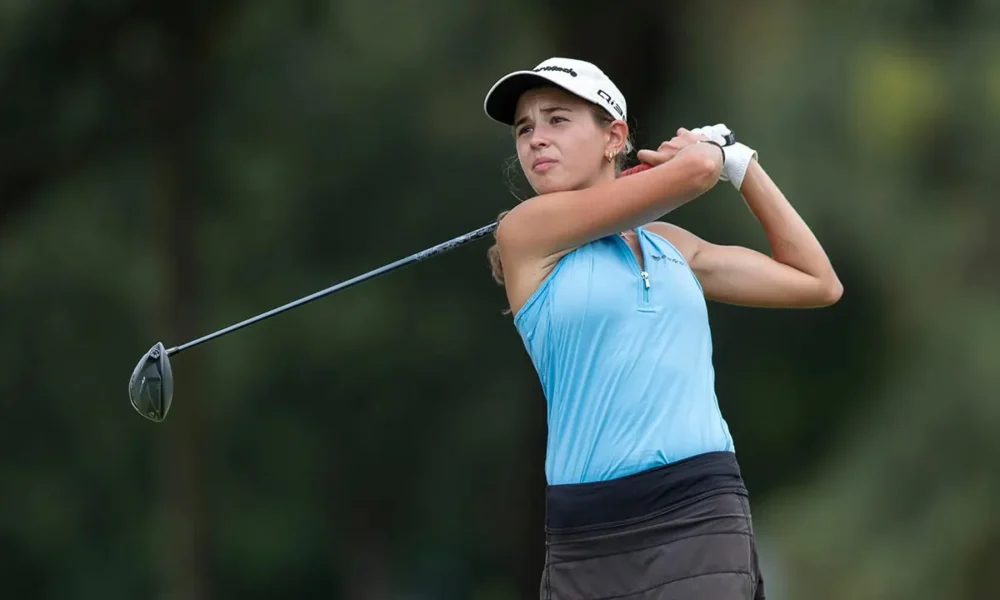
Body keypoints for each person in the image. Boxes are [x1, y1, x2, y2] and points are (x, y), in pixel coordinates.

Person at [482, 57, 842, 600]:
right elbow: (694, 174)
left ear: (614, 137)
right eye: (525, 128)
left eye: (557, 119)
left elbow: (816, 282)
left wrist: (742, 167)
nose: (536, 139)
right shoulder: (525, 233)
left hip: (700, 511)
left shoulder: (673, 245)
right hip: (588, 534)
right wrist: (705, 156)